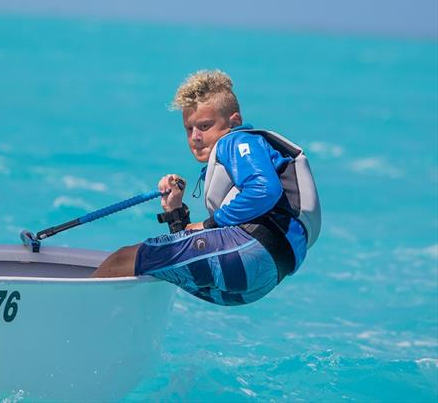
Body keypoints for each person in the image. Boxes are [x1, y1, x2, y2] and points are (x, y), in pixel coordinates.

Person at [92, 70, 320, 306]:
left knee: (121, 260)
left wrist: (210, 223)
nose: (195, 137)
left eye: (204, 126)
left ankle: (78, 321)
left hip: (251, 250)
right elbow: (193, 249)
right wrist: (175, 211)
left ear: (234, 121)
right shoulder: (239, 160)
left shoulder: (237, 141)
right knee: (158, 269)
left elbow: (264, 190)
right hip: (263, 277)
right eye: (189, 129)